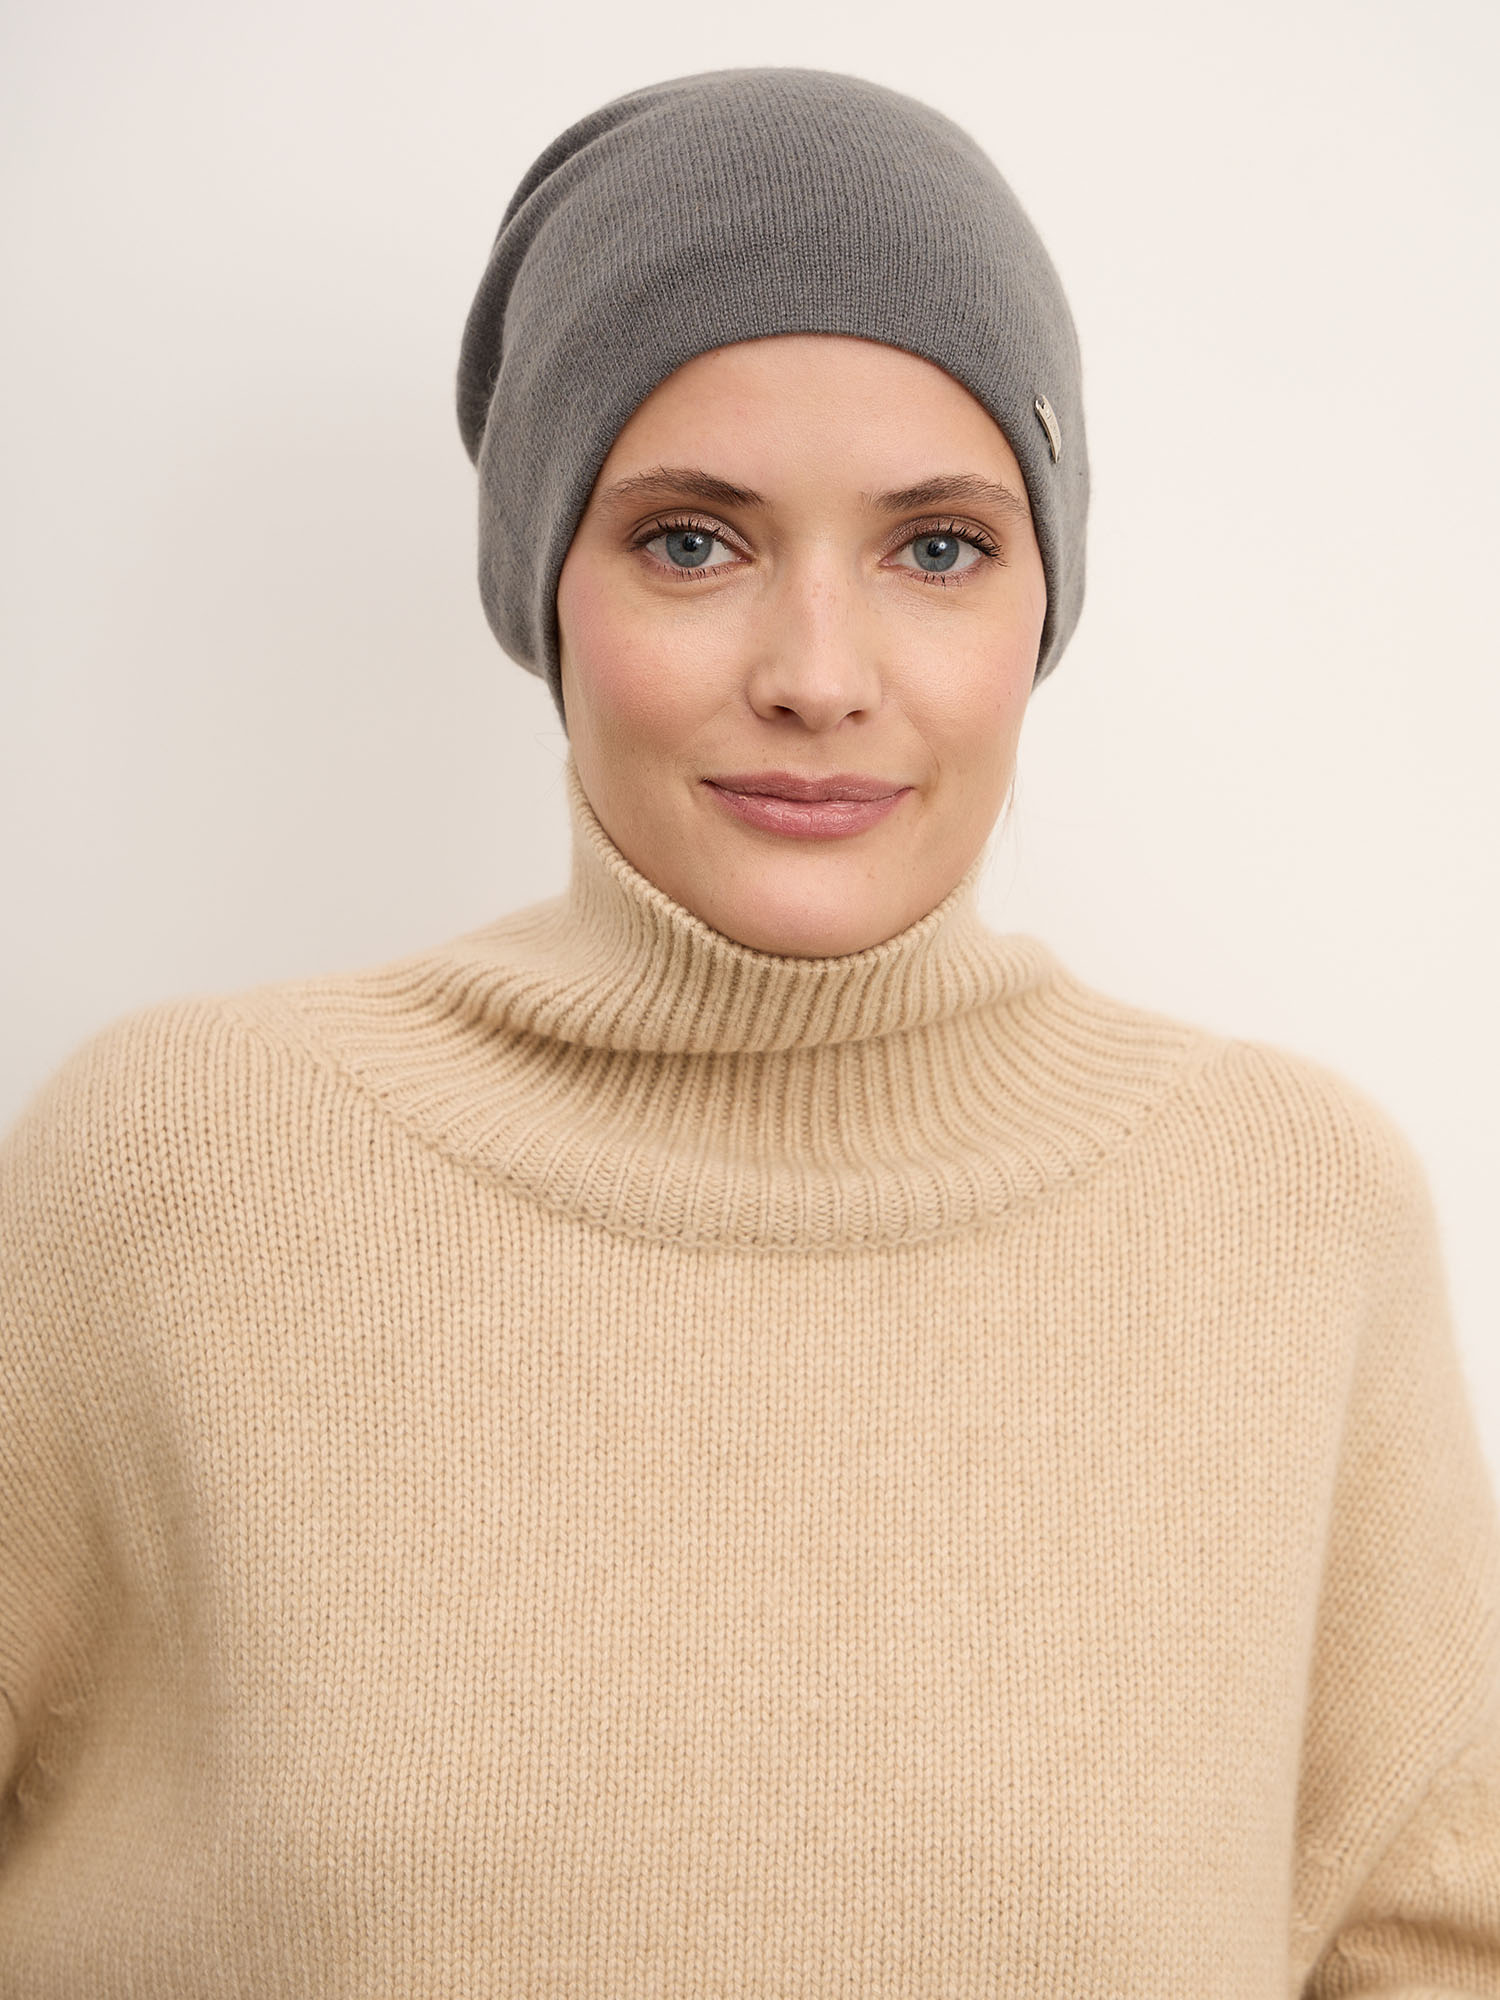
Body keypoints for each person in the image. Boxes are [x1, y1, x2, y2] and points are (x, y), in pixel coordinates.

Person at [0, 64, 1496, 1998]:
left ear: (1042, 605)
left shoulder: (1288, 1214)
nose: (816, 675)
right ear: (546, 586)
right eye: (693, 541)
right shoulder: (179, 1169)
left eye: (937, 548)